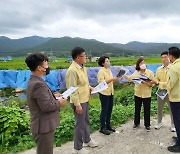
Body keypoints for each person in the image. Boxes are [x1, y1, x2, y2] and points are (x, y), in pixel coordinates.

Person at [25, 53, 67, 154]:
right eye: (46, 64)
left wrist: (53, 96)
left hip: (43, 125)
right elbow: (46, 106)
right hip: (43, 126)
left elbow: (42, 100)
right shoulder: (38, 84)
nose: (47, 67)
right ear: (39, 68)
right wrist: (60, 102)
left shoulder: (35, 80)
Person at [66, 47, 98, 154]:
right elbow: (72, 89)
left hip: (85, 98)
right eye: (84, 55)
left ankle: (87, 140)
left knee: (86, 121)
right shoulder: (72, 70)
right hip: (78, 101)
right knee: (79, 124)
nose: (86, 57)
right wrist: (77, 105)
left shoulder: (82, 67)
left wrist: (89, 87)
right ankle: (78, 148)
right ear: (77, 57)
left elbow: (83, 83)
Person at [156, 47, 180, 152]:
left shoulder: (173, 68)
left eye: (167, 56)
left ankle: (179, 145)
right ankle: (178, 138)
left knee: (177, 120)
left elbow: (170, 85)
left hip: (176, 98)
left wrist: (158, 83)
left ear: (171, 56)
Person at [123, 58, 154, 132]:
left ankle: (147, 124)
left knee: (147, 109)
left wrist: (145, 82)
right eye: (141, 63)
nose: (142, 64)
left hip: (146, 94)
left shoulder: (149, 73)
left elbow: (152, 84)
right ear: (138, 65)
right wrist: (123, 74)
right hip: (138, 94)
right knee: (137, 109)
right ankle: (136, 123)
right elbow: (130, 78)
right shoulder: (136, 72)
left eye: (143, 63)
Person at [97, 56, 120, 135]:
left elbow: (111, 80)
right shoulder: (101, 71)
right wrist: (112, 79)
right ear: (103, 63)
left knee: (109, 109)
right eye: (106, 61)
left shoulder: (109, 70)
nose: (108, 62)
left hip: (110, 92)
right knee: (104, 110)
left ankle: (108, 125)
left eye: (108, 61)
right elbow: (102, 83)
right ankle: (102, 127)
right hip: (104, 93)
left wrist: (116, 78)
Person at [154, 51, 175, 131]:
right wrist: (155, 81)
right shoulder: (159, 69)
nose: (163, 59)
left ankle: (173, 124)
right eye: (162, 57)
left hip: (170, 92)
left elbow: (171, 82)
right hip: (161, 92)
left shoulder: (173, 68)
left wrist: (160, 83)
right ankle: (159, 122)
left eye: (165, 57)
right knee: (159, 108)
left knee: (171, 109)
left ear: (169, 57)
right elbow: (156, 78)